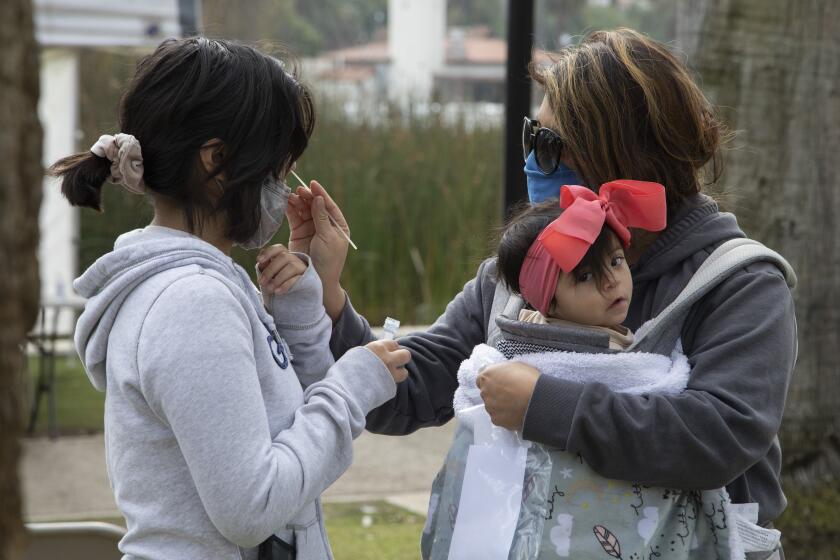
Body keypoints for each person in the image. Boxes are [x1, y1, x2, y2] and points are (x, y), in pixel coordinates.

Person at [286, 28, 797, 560]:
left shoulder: (739, 283)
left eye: (550, 145)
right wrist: (326, 295)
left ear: (623, 156)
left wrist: (543, 405)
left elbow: (719, 436)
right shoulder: (515, 274)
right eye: (532, 135)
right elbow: (408, 392)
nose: (532, 159)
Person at [50, 37, 410, 560]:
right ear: (216, 160)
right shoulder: (191, 303)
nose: (285, 192)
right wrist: (352, 387)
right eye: (275, 171)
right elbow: (253, 507)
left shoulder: (209, 284)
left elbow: (289, 435)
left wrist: (302, 310)